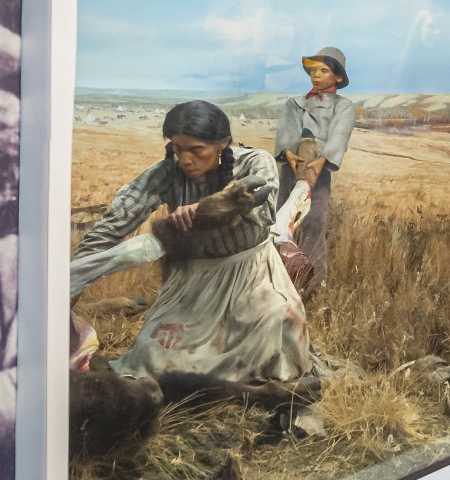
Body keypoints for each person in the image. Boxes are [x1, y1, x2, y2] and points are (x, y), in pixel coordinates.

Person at [73, 100, 312, 386]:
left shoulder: (255, 162)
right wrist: (73, 280)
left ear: (223, 143)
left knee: (273, 326)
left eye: (197, 150)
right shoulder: (167, 173)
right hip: (193, 282)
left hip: (251, 276)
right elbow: (112, 227)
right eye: (178, 149)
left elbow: (262, 210)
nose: (186, 160)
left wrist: (206, 208)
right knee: (153, 353)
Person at [273, 47, 356, 290]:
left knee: (313, 223)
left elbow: (338, 136)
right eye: (313, 70)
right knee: (283, 220)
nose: (316, 75)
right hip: (290, 170)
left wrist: (319, 162)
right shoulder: (294, 104)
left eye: (323, 70)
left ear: (338, 77)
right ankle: (279, 279)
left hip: (319, 174)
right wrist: (290, 155)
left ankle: (313, 284)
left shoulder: (343, 107)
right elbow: (287, 132)